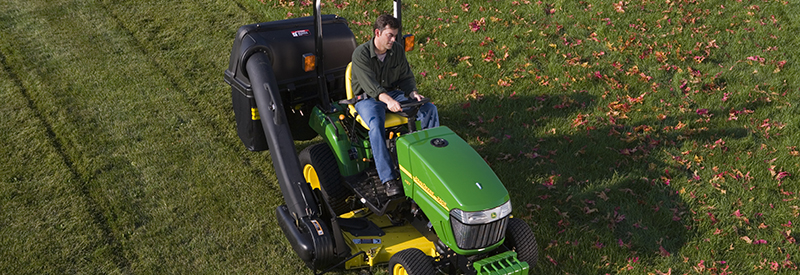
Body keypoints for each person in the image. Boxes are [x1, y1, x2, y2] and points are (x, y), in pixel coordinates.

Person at [350, 14, 439, 196]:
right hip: (368, 99)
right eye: (390, 35)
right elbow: (371, 87)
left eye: (395, 35)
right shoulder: (361, 54)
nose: (393, 39)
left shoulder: (397, 50)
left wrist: (413, 93)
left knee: (429, 109)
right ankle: (388, 178)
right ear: (377, 32)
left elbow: (405, 76)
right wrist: (389, 101)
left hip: (393, 93)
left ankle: (432, 161)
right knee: (376, 125)